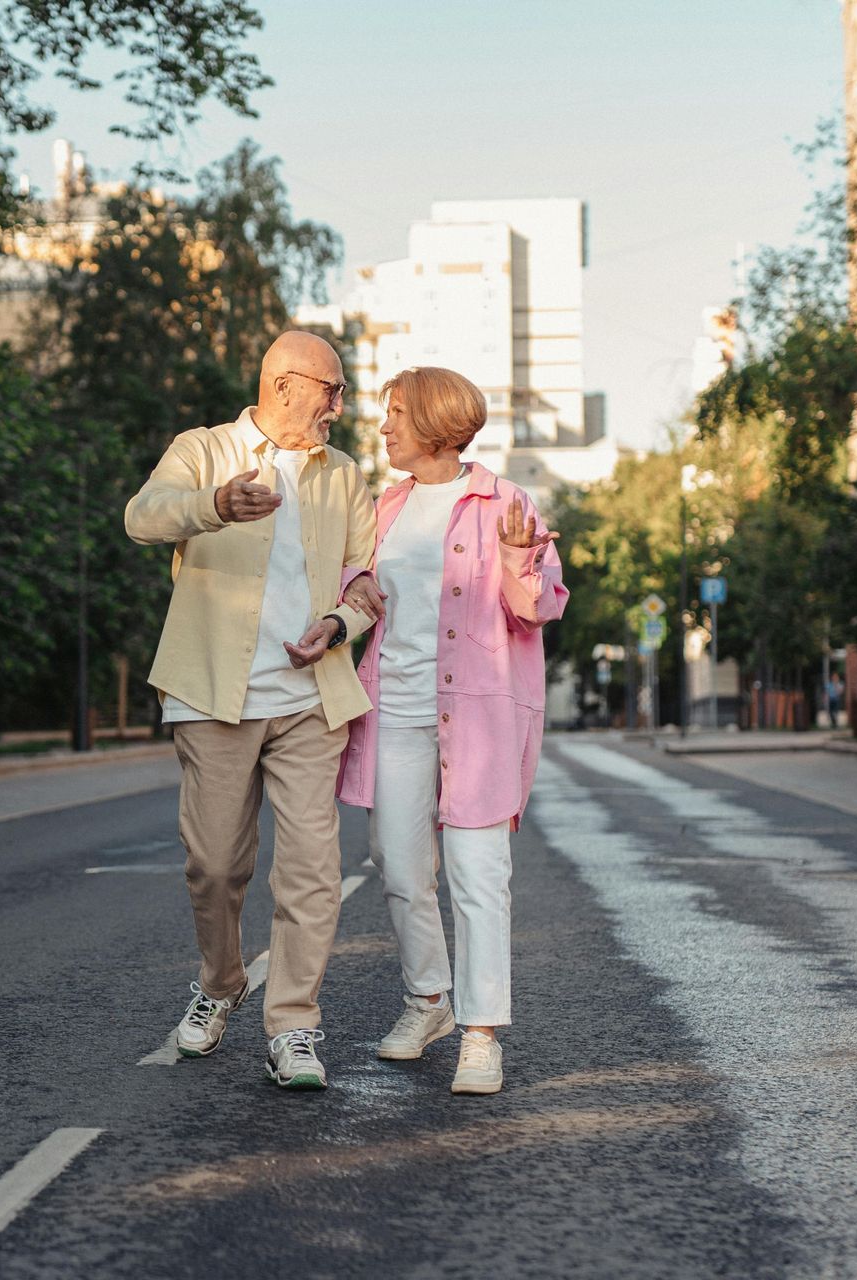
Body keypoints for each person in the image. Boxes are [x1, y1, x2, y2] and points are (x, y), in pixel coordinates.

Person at [124, 331, 378, 1090]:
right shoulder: (203, 450)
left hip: (311, 697)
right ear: (284, 384)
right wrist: (214, 504)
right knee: (215, 864)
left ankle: (294, 1025)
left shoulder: (344, 477)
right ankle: (221, 980)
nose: (340, 406)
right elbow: (144, 516)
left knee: (311, 870)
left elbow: (367, 580)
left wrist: (340, 625)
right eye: (331, 391)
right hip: (211, 691)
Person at [335, 366, 568, 1096]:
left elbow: (536, 608)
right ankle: (427, 1002)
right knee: (399, 867)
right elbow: (358, 591)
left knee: (478, 872)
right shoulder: (386, 507)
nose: (384, 427)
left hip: (480, 712)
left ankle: (480, 1032)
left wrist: (518, 558)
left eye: (396, 413)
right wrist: (348, 592)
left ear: (435, 422)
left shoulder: (504, 501)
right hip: (395, 707)